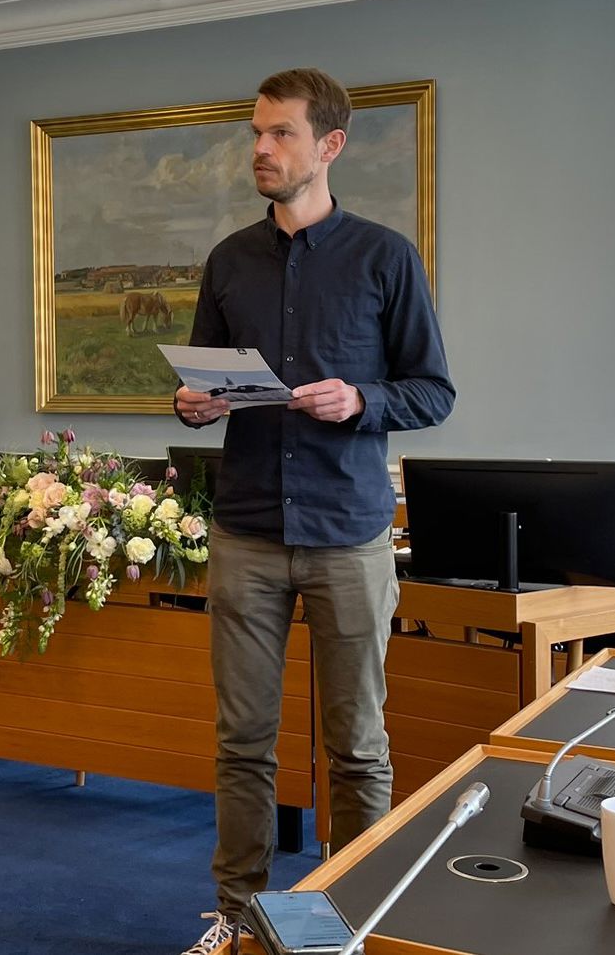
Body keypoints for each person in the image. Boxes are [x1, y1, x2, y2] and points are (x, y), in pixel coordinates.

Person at [176, 68, 454, 955]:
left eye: (280, 134)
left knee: (357, 749)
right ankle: (237, 915)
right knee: (241, 744)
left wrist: (361, 401)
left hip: (350, 534)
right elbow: (206, 378)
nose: (260, 149)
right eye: (255, 133)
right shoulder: (229, 260)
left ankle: (353, 918)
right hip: (246, 528)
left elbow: (432, 391)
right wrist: (195, 405)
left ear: (328, 146)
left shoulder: (385, 257)